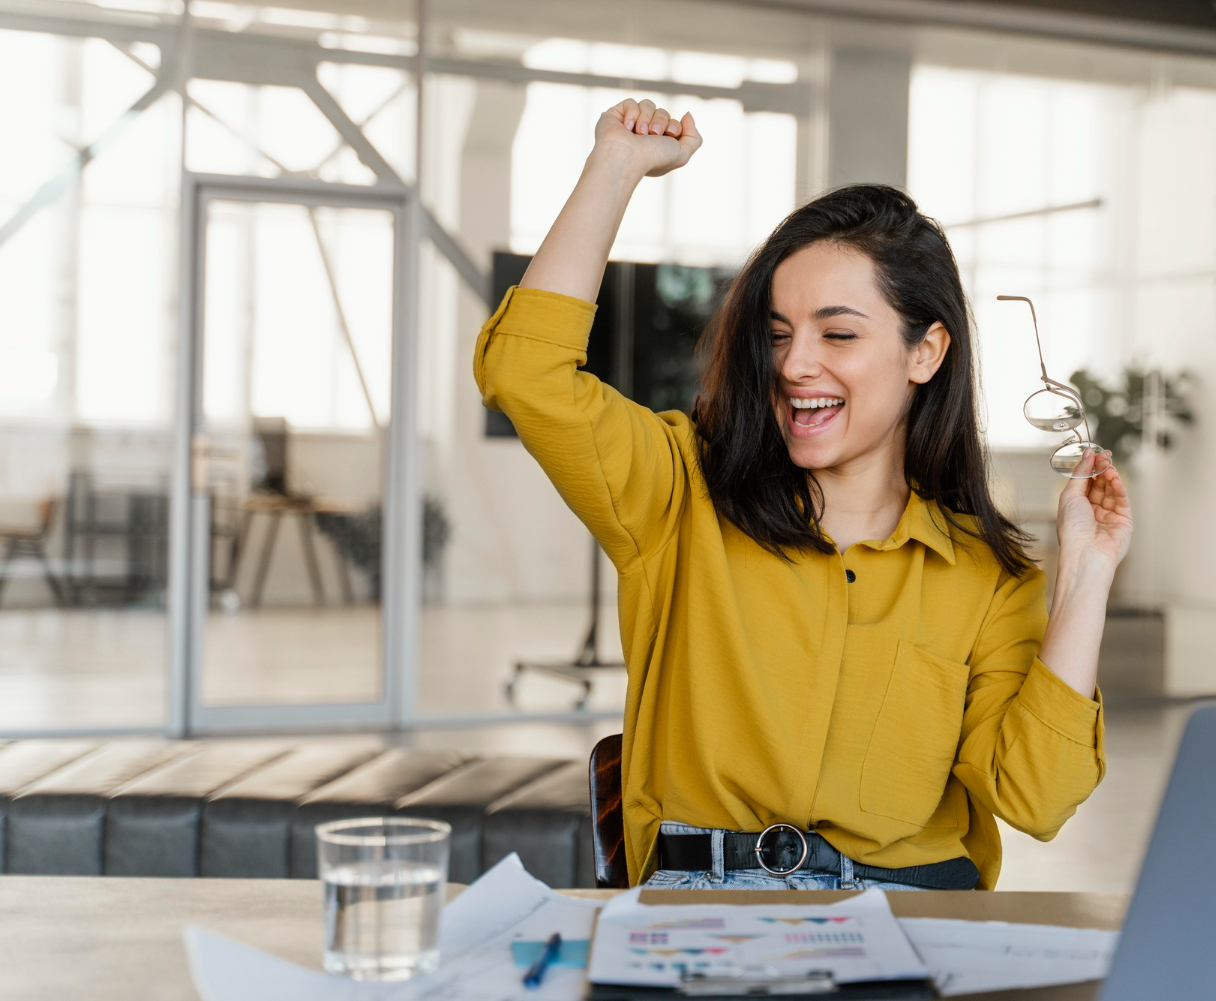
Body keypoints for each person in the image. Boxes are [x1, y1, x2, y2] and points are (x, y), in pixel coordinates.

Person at [474, 99, 1132, 890]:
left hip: (909, 909)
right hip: (705, 903)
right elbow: (525, 375)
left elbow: (1036, 796)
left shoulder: (987, 576)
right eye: (779, 333)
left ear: (926, 351)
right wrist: (614, 168)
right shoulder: (679, 492)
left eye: (838, 333)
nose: (793, 364)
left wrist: (1086, 574)